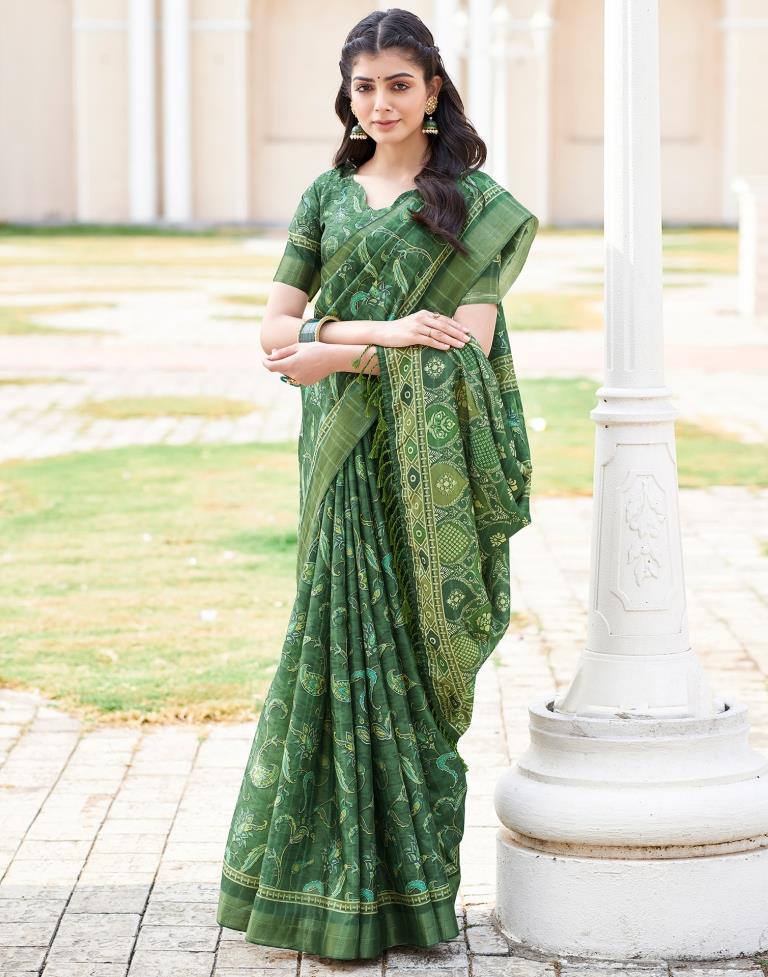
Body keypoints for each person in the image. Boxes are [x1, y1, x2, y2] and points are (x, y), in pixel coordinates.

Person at [216, 6, 538, 961]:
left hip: (425, 470)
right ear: (348, 97)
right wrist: (382, 336)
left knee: (411, 671)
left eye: (401, 83)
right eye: (366, 86)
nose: (382, 101)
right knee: (328, 648)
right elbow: (274, 336)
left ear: (434, 90)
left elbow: (468, 345)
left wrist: (334, 350)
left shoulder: (477, 208)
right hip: (341, 463)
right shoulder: (325, 197)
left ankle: (409, 898)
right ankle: (319, 894)